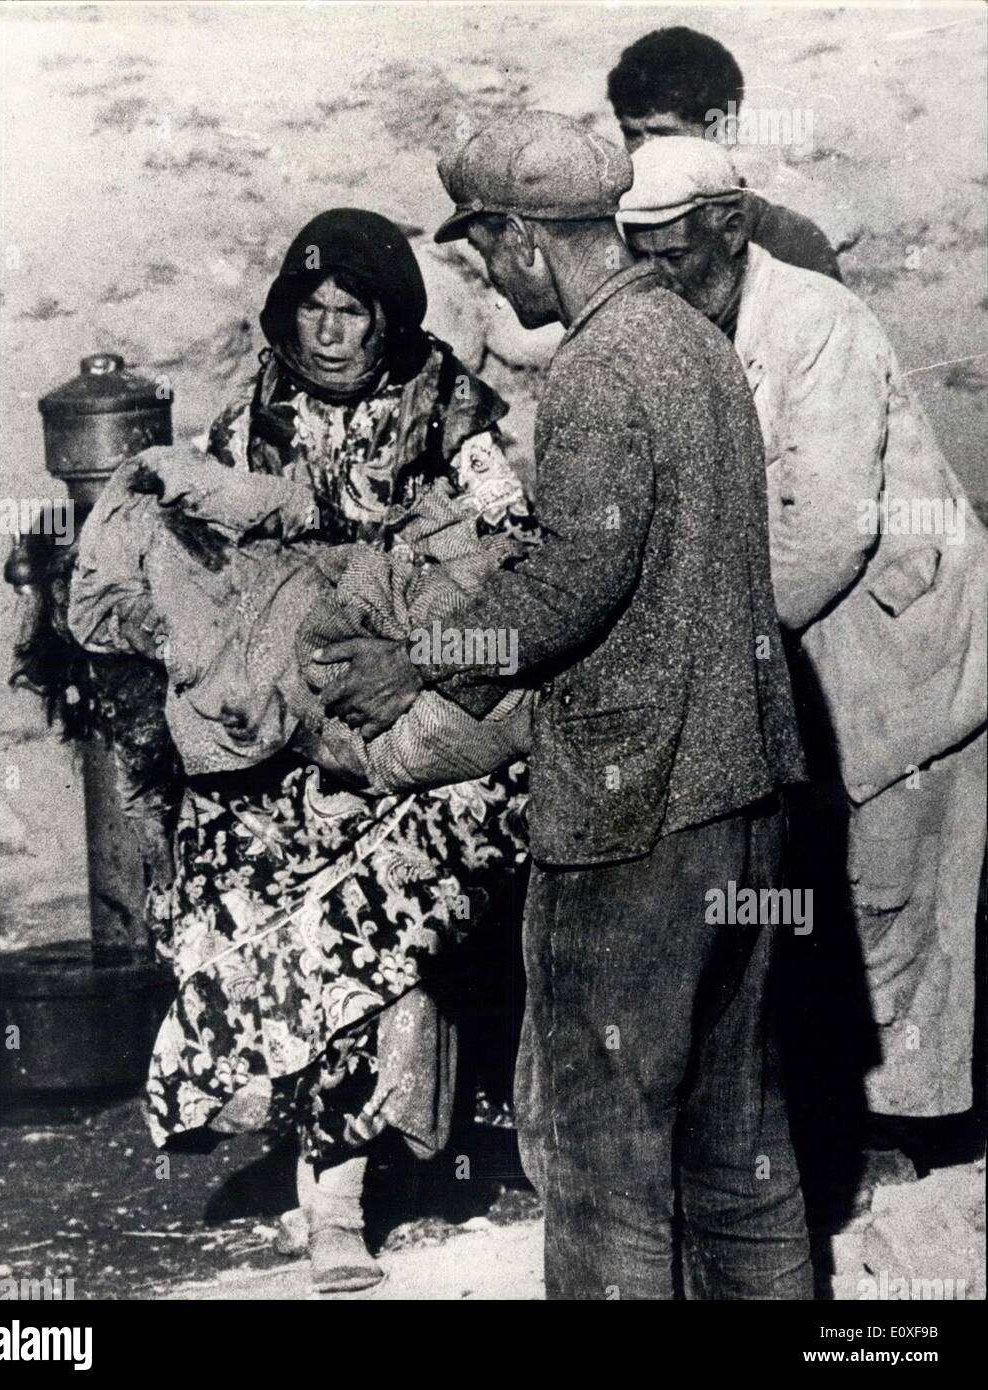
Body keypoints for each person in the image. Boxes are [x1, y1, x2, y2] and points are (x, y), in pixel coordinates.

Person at [318, 111, 814, 1300]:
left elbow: (571, 590)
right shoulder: (696, 338)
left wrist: (418, 657)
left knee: (598, 1153)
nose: (492, 287)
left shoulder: (599, 365)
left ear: (528, 242)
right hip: (745, 797)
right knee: (738, 1147)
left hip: (632, 814)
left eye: (488, 261)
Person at [69, 208, 537, 1295]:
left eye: (352, 313)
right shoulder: (254, 415)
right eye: (312, 311)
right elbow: (215, 557)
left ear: (389, 319)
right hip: (275, 727)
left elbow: (506, 547)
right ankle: (308, 1159)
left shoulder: (447, 408)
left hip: (387, 713)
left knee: (373, 954)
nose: (329, 334)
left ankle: (340, 1205)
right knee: (263, 934)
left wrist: (408, 603)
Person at [617, 136, 988, 1180]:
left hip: (906, 663)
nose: (653, 278)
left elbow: (822, 528)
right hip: (807, 670)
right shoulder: (688, 327)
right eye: (632, 254)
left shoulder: (819, 322)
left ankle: (908, 1156)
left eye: (671, 254)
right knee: (823, 909)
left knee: (894, 913)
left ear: (731, 227)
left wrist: (684, 652)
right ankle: (850, 1141)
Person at [607, 25, 843, 282]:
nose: (644, 153)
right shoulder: (609, 239)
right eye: (631, 134)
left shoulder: (792, 244)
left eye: (664, 134)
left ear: (722, 133)